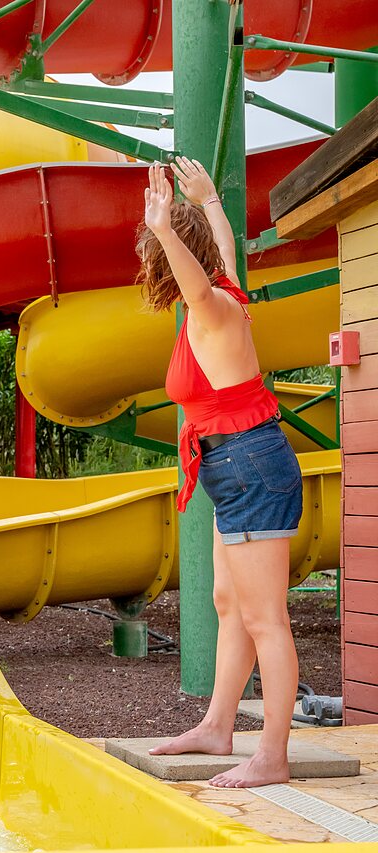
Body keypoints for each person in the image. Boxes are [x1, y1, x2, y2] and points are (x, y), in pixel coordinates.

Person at [139, 158, 301, 788]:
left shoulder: (213, 311)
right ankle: (217, 725)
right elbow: (224, 253)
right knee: (228, 604)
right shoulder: (226, 292)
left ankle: (274, 755)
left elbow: (198, 284)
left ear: (181, 261)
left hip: (250, 466)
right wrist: (205, 202)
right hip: (230, 468)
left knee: (267, 620)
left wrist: (164, 228)